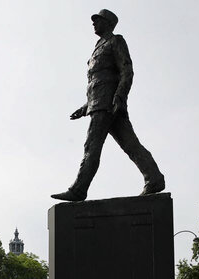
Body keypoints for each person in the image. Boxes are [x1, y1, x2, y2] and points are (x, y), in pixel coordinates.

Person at [51, 9, 165, 202]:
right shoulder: (98, 46)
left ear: (109, 23)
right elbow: (100, 81)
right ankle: (154, 178)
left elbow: (126, 70)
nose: (94, 23)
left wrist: (120, 97)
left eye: (98, 20)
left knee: (91, 148)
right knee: (131, 145)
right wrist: (86, 106)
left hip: (108, 105)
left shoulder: (115, 41)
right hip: (100, 104)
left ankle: (79, 190)